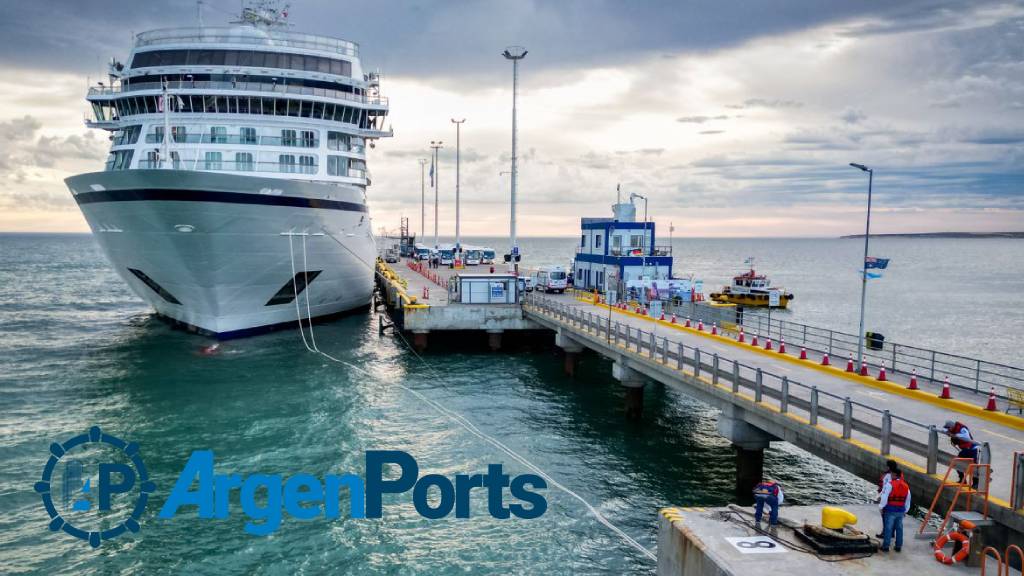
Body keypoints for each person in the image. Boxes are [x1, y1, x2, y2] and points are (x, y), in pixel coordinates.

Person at [878, 463, 911, 552]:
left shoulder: (890, 485)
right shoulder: (906, 486)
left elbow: (884, 497)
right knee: (899, 528)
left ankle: (885, 546)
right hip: (900, 511)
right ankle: (898, 546)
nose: (891, 475)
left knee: (888, 528)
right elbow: (908, 499)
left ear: (895, 475)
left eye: (892, 474)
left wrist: (881, 507)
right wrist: (906, 510)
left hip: (890, 510)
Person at [943, 420, 980, 487]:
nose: (948, 429)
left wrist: (955, 435)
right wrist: (947, 432)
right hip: (965, 448)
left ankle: (975, 483)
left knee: (971, 465)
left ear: (952, 427)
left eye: (948, 428)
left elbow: (966, 436)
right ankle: (963, 479)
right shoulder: (952, 429)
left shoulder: (962, 428)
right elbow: (944, 430)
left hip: (971, 448)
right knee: (958, 463)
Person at [875, 460, 903, 538]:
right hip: (897, 501)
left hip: (888, 499)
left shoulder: (888, 476)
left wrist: (880, 498)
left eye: (887, 466)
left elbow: (884, 488)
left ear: (889, 467)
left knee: (885, 517)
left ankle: (885, 533)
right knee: (894, 519)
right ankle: (892, 533)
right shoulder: (899, 474)